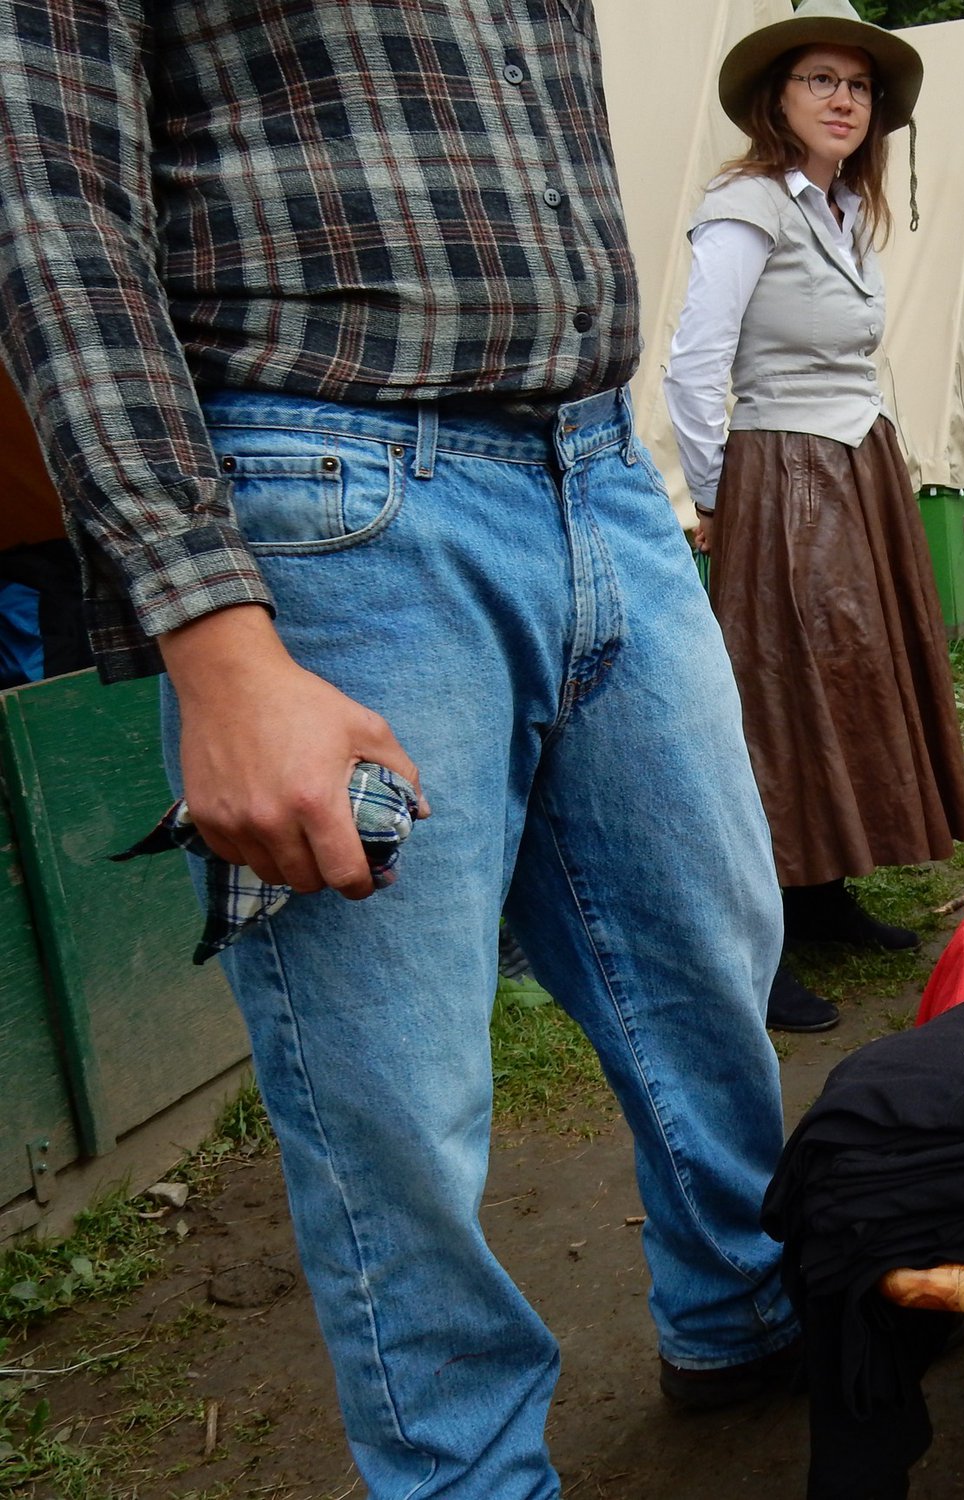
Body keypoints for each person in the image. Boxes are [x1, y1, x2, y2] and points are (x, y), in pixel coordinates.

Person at [0, 2, 803, 1493]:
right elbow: (53, 212)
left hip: (597, 466)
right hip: (329, 493)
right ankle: (466, 1474)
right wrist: (215, 634)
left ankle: (742, 1308)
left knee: (712, 959)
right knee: (397, 1090)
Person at [668, 3, 964, 1035]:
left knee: (844, 684)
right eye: (821, 81)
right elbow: (694, 368)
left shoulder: (840, 207)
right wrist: (719, 497)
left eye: (858, 87)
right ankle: (755, 946)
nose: (844, 100)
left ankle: (821, 894)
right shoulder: (745, 205)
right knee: (779, 704)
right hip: (785, 473)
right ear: (778, 98)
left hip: (854, 467)